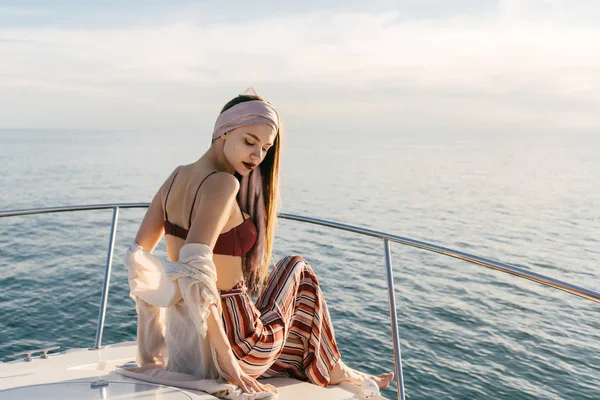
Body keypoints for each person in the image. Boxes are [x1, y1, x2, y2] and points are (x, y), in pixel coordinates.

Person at [122, 92, 394, 398]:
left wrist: (155, 345)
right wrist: (228, 363)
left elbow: (138, 259)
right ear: (222, 132)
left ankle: (334, 368)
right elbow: (193, 269)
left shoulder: (175, 177)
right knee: (296, 268)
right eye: (249, 141)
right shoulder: (224, 183)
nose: (257, 156)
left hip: (187, 341)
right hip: (241, 342)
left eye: (265, 148)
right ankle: (336, 369)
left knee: (278, 294)